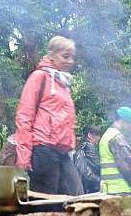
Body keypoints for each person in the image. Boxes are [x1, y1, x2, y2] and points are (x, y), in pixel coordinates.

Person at [15, 36, 82, 196]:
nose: (70, 61)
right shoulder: (39, 77)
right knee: (46, 202)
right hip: (43, 148)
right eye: (66, 56)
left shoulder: (62, 84)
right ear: (51, 55)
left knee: (75, 195)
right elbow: (24, 115)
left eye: (72, 57)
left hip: (62, 150)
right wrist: (24, 156)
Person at [99, 107, 131, 194]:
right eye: (130, 123)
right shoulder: (116, 137)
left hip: (108, 188)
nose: (130, 127)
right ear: (123, 120)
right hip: (121, 189)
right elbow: (123, 164)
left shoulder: (106, 135)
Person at [74, 125, 102, 193]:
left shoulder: (80, 145)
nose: (99, 138)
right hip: (91, 181)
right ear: (89, 135)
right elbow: (97, 164)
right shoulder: (89, 146)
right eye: (97, 135)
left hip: (82, 181)